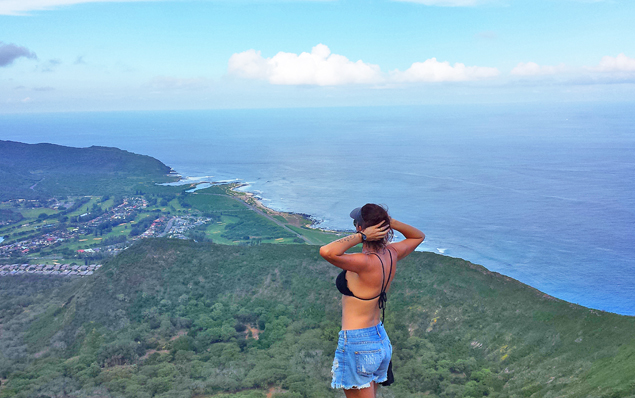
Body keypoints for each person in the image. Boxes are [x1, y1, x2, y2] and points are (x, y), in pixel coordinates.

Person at [319, 203, 425, 398]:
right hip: (379, 339)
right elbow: (418, 236)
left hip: (358, 343)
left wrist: (363, 236)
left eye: (355, 224)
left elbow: (327, 251)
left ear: (361, 228)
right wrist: (390, 223)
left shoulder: (364, 262)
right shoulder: (391, 254)